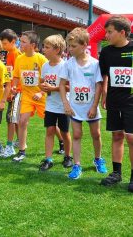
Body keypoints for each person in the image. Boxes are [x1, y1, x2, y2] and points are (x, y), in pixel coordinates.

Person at [59, 27, 107, 179]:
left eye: (73, 46)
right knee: (77, 135)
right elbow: (61, 84)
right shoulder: (68, 63)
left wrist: (94, 106)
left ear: (85, 45)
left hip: (91, 107)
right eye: (69, 46)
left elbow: (99, 85)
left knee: (96, 134)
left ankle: (98, 159)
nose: (70, 49)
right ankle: (77, 165)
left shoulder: (94, 64)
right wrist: (66, 104)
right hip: (75, 108)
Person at [99, 16, 133, 192]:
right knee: (117, 135)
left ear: (122, 32)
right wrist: (104, 93)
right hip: (113, 100)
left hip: (131, 101)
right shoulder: (106, 52)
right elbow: (105, 75)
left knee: (131, 137)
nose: (106, 35)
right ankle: (116, 173)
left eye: (110, 32)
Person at [12, 31, 48, 162]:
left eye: (23, 42)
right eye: (20, 41)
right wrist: (14, 87)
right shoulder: (19, 59)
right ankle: (22, 151)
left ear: (32, 45)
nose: (19, 44)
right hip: (26, 95)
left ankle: (61, 142)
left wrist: (41, 92)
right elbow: (16, 76)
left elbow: (49, 79)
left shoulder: (41, 59)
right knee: (22, 121)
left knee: (51, 125)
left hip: (41, 96)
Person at [39, 34, 72, 171]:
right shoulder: (45, 66)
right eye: (44, 47)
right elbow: (41, 82)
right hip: (50, 104)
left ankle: (68, 156)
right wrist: (42, 88)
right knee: (50, 131)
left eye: (47, 47)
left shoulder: (65, 66)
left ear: (57, 50)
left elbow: (70, 87)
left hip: (64, 105)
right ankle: (48, 159)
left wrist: (53, 88)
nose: (43, 50)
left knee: (64, 132)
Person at [0, 29, 22, 158]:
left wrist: (12, 89)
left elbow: (17, 74)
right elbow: (9, 72)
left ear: (13, 42)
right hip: (12, 90)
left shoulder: (16, 54)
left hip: (15, 91)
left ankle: (9, 146)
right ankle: (18, 141)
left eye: (5, 43)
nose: (3, 45)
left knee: (11, 119)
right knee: (14, 119)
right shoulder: (9, 53)